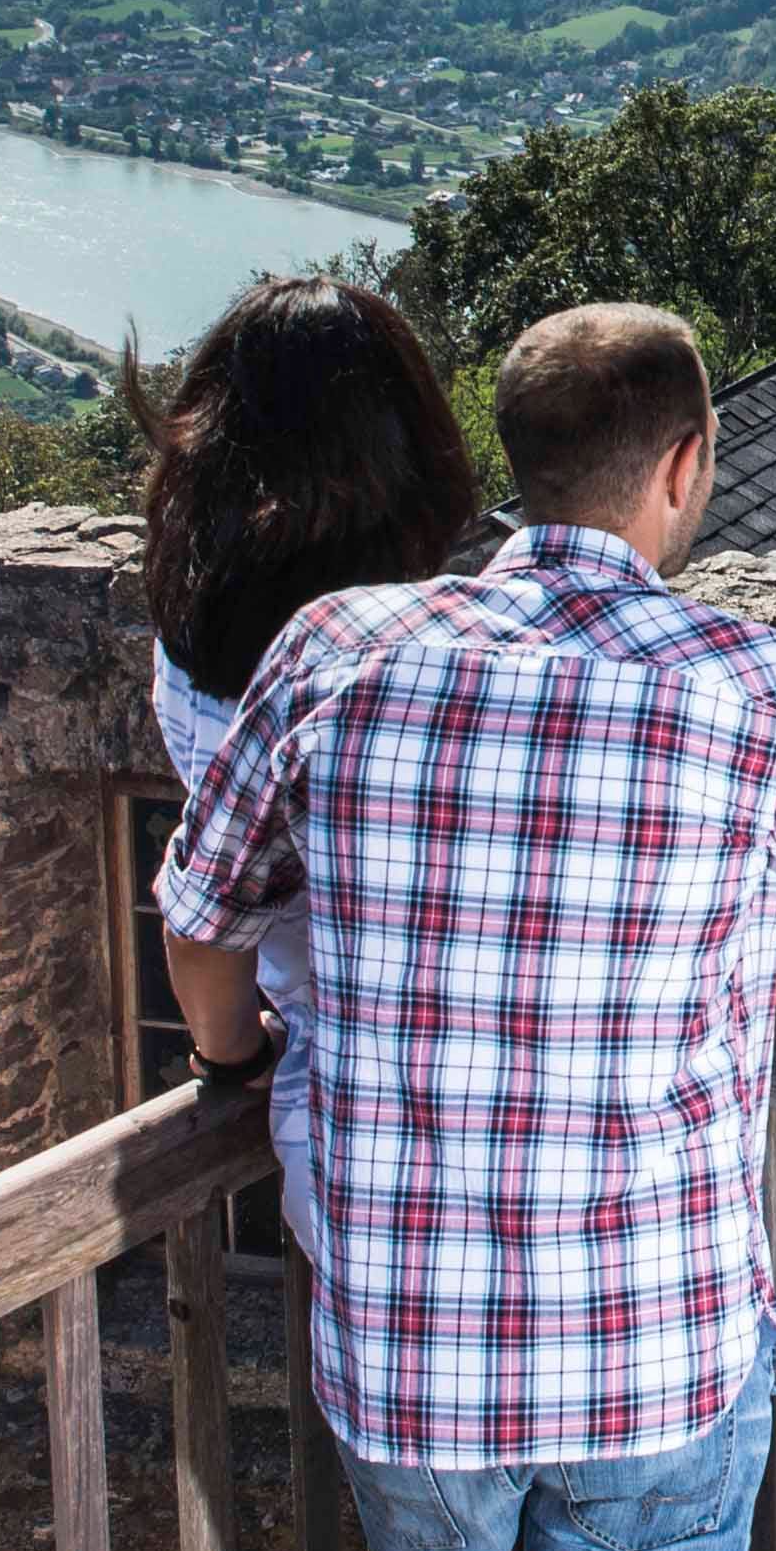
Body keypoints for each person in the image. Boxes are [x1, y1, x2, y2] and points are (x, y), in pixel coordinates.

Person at [159, 303, 776, 1551]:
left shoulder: (337, 646)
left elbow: (200, 923)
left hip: (408, 1355)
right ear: (683, 465)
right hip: (649, 1356)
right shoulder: (757, 683)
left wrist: (233, 1063)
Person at [133, 273, 484, 1258]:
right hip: (566, 1116)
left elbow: (205, 924)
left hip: (353, 1144)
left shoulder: (195, 656)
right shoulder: (459, 654)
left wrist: (230, 1057)